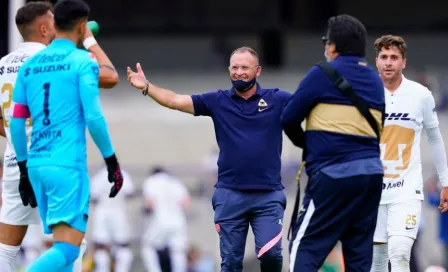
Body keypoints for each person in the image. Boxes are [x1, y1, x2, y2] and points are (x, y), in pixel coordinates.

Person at [127, 46, 292, 271]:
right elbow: (175, 100)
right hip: (230, 195)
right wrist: (146, 87)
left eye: (245, 67)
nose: (239, 72)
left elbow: (309, 106)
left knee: (271, 255)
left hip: (268, 195)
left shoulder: (278, 99)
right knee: (231, 262)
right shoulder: (218, 100)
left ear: (258, 70)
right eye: (234, 67)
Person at [0, 1, 120, 271]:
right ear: (44, 28)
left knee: (7, 250)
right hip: (62, 158)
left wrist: (21, 165)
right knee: (71, 247)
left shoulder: (5, 64)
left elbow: (11, 122)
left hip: (19, 163)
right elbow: (109, 81)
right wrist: (88, 41)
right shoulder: (65, 61)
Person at [281, 14, 385, 272]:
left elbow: (288, 118)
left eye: (326, 41)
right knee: (359, 256)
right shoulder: (375, 80)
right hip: (372, 176)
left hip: (333, 174)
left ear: (334, 46)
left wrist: (308, 145)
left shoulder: (323, 73)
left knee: (304, 246)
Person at [370, 35, 448, 272]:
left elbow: (435, 138)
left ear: (404, 62)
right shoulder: (365, 95)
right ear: (377, 61)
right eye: (384, 57)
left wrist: (445, 181)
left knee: (401, 253)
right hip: (373, 190)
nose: (389, 62)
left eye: (394, 57)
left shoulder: (420, 94)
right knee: (378, 259)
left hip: (406, 190)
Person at [140, 166, 191, 272]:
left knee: (148, 246)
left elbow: (149, 204)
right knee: (177, 251)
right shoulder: (175, 182)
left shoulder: (151, 181)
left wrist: (145, 211)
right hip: (178, 220)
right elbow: (186, 203)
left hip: (161, 220)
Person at [90, 166, 136, 272]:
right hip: (118, 212)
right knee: (123, 246)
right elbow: (130, 192)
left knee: (101, 246)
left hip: (102, 213)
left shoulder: (98, 176)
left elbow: (93, 197)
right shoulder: (121, 174)